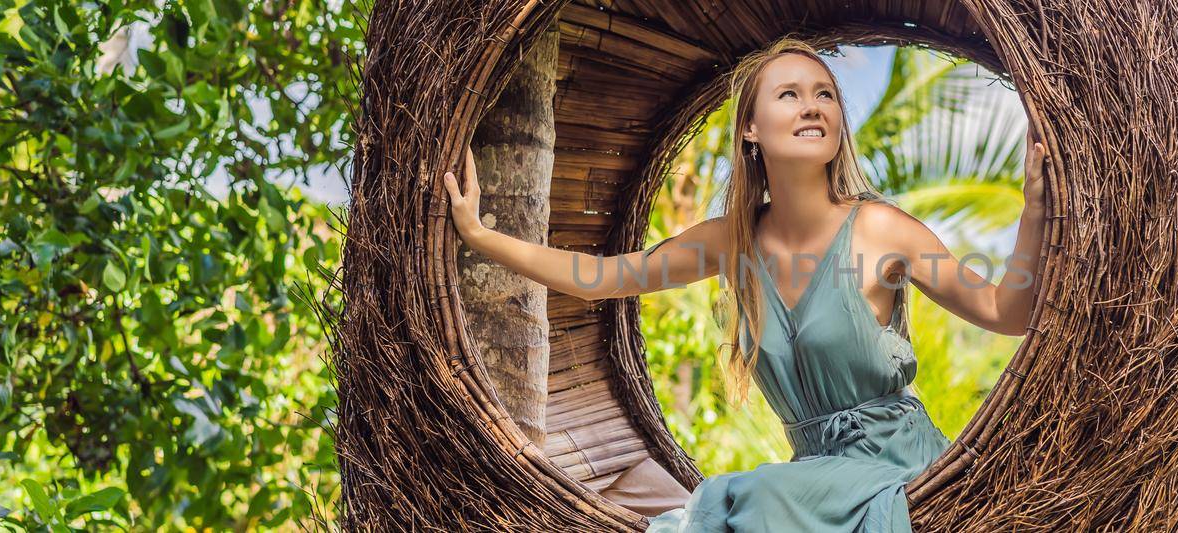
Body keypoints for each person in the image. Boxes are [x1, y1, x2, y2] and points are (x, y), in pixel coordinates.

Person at [442, 37, 1048, 532]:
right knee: (749, 496)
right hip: (811, 487)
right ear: (751, 129)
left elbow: (1005, 310)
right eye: (790, 94)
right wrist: (482, 236)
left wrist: (1033, 210)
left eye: (826, 95)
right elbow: (600, 279)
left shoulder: (882, 229)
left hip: (898, 467)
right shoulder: (729, 241)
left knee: (745, 496)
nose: (814, 106)